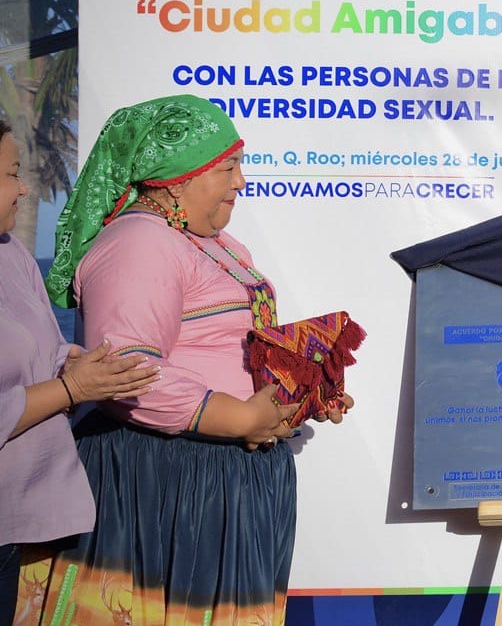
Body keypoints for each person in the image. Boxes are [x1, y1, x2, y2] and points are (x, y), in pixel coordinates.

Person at [20, 95, 352, 625]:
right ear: (177, 177)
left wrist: (300, 395)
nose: (241, 181)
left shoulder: (218, 244)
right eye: (227, 167)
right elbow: (124, 372)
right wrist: (241, 417)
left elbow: (231, 349)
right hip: (167, 480)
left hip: (221, 475)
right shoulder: (138, 243)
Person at [0, 119, 159, 625]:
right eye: (12, 173)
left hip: (19, 524)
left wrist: (77, 365)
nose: (24, 189)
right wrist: (72, 387)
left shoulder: (12, 253)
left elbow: (45, 350)